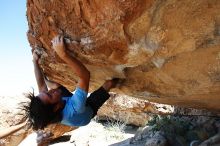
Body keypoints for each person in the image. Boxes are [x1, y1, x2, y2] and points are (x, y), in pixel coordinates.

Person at [22, 35, 120, 130]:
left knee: (55, 86)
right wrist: (63, 54)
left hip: (65, 102)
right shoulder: (74, 108)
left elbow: (41, 84)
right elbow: (85, 75)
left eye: (46, 92)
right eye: (50, 95)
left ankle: (48, 81)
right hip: (89, 109)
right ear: (56, 107)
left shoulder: (47, 106)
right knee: (109, 83)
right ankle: (120, 81)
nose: (50, 91)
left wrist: (35, 62)